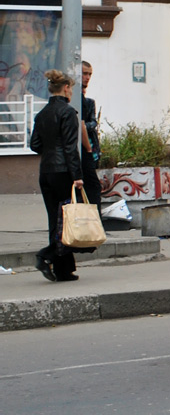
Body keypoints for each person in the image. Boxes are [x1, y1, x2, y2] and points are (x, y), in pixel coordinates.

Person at [29, 69, 84, 282]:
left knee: (56, 219)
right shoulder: (68, 112)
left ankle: (63, 270)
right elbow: (71, 148)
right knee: (68, 220)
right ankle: (46, 256)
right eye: (71, 88)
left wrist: (50, 150)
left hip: (46, 172)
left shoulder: (42, 114)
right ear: (66, 88)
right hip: (63, 173)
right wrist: (77, 176)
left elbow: (35, 145)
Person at [79, 61, 102, 221]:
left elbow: (92, 123)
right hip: (82, 148)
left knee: (91, 186)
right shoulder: (76, 99)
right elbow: (82, 124)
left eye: (89, 74)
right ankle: (93, 222)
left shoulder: (88, 102)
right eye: (84, 73)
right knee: (92, 186)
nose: (87, 77)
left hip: (90, 146)